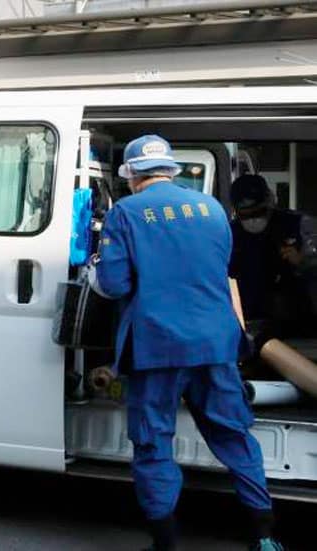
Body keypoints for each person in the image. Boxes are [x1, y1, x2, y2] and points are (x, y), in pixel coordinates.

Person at [88, 135, 281, 551]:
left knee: (154, 442)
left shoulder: (126, 213)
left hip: (157, 346)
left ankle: (165, 544)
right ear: (172, 170)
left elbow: (114, 282)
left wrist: (94, 273)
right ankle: (264, 538)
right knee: (233, 436)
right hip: (215, 341)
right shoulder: (212, 208)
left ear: (132, 175)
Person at [229, 174, 317, 338]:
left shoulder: (299, 225)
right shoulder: (229, 234)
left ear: (268, 203)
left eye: (258, 212)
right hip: (248, 321)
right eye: (246, 215)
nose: (253, 219)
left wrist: (303, 262)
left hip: (295, 322)